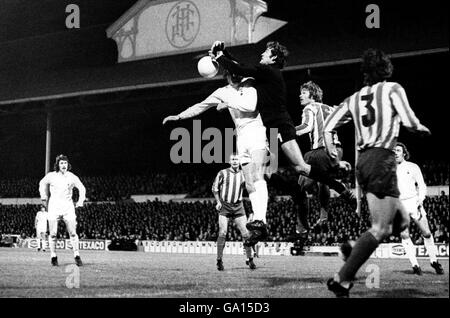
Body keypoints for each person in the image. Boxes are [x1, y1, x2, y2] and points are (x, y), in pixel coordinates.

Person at [210, 41, 351, 244]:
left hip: (280, 124)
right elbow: (240, 67)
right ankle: (264, 222)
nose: (262, 54)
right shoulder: (266, 72)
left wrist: (219, 57)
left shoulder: (268, 70)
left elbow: (239, 68)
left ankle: (340, 187)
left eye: (266, 52)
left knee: (301, 167)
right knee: (277, 172)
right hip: (270, 128)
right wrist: (224, 54)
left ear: (274, 58)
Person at [323, 48, 431, 297]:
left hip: (364, 161)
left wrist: (333, 157)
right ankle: (342, 279)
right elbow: (410, 122)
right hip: (381, 158)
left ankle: (354, 248)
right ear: (386, 69)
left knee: (402, 222)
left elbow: (328, 127)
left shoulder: (354, 97)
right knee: (381, 228)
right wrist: (424, 130)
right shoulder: (393, 89)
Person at [163, 68, 272, 247]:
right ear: (227, 76)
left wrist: (228, 104)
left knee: (258, 174)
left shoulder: (250, 86)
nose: (235, 76)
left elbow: (251, 106)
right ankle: (260, 225)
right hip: (241, 136)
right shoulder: (222, 92)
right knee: (249, 182)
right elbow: (202, 105)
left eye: (238, 73)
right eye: (231, 73)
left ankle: (261, 218)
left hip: (256, 130)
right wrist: (179, 116)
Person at [295, 81, 356, 231]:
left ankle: (301, 228)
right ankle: (324, 216)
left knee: (299, 188)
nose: (300, 95)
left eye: (303, 92)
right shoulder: (330, 108)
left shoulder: (310, 107)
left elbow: (306, 127)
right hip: (336, 151)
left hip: (319, 152)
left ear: (312, 94)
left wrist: (285, 132)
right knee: (322, 181)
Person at [395, 142, 444, 275]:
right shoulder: (388, 169)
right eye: (393, 151)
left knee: (427, 233)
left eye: (398, 150)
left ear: (404, 153)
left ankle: (434, 261)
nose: (395, 153)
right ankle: (415, 265)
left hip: (413, 202)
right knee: (404, 234)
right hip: (399, 205)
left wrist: (420, 200)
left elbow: (422, 185)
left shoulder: (413, 167)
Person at [39, 154, 86, 267]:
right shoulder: (51, 176)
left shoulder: (72, 176)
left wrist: (80, 201)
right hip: (54, 207)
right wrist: (43, 196)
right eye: (61, 163)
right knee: (53, 234)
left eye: (65, 163)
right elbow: (42, 183)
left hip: (68, 207)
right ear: (58, 165)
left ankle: (77, 255)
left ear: (68, 164)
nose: (63, 165)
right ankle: (53, 256)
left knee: (73, 233)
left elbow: (82, 188)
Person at [212, 153, 256, 270]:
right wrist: (218, 202)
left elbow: (250, 187)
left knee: (246, 234)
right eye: (233, 159)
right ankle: (219, 260)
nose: (235, 161)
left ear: (240, 161)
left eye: (237, 159)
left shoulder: (243, 174)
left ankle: (250, 259)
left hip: (238, 206)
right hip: (225, 206)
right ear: (229, 161)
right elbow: (215, 189)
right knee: (223, 232)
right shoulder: (222, 173)